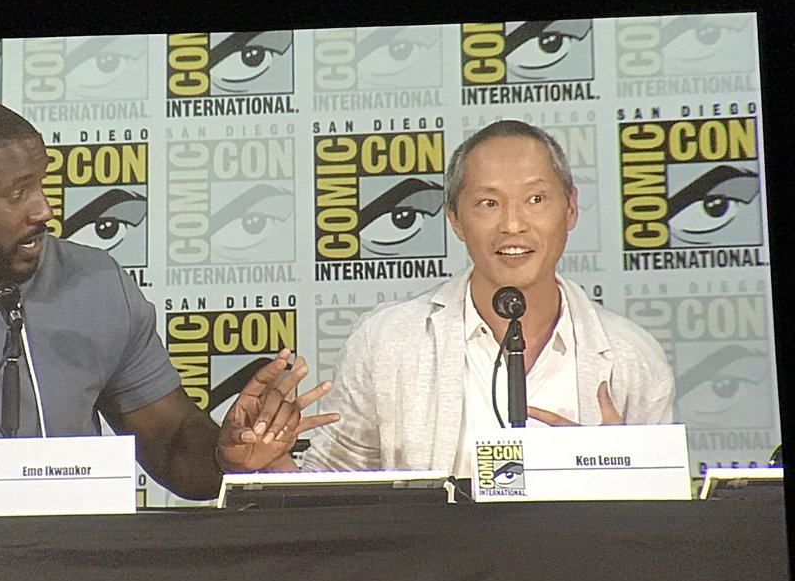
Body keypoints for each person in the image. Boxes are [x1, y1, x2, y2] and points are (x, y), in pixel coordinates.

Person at [0, 98, 335, 513]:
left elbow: (169, 443)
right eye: (17, 193)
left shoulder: (94, 283)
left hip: (73, 576)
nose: (44, 210)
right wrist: (6, 488)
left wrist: (225, 456)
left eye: (41, 185)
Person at [289, 119, 674, 477]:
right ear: (455, 219)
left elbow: (661, 513)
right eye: (489, 203)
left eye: (536, 199)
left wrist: (619, 474)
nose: (513, 225)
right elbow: (332, 492)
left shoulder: (631, 358)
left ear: (571, 208)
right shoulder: (386, 342)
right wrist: (269, 461)